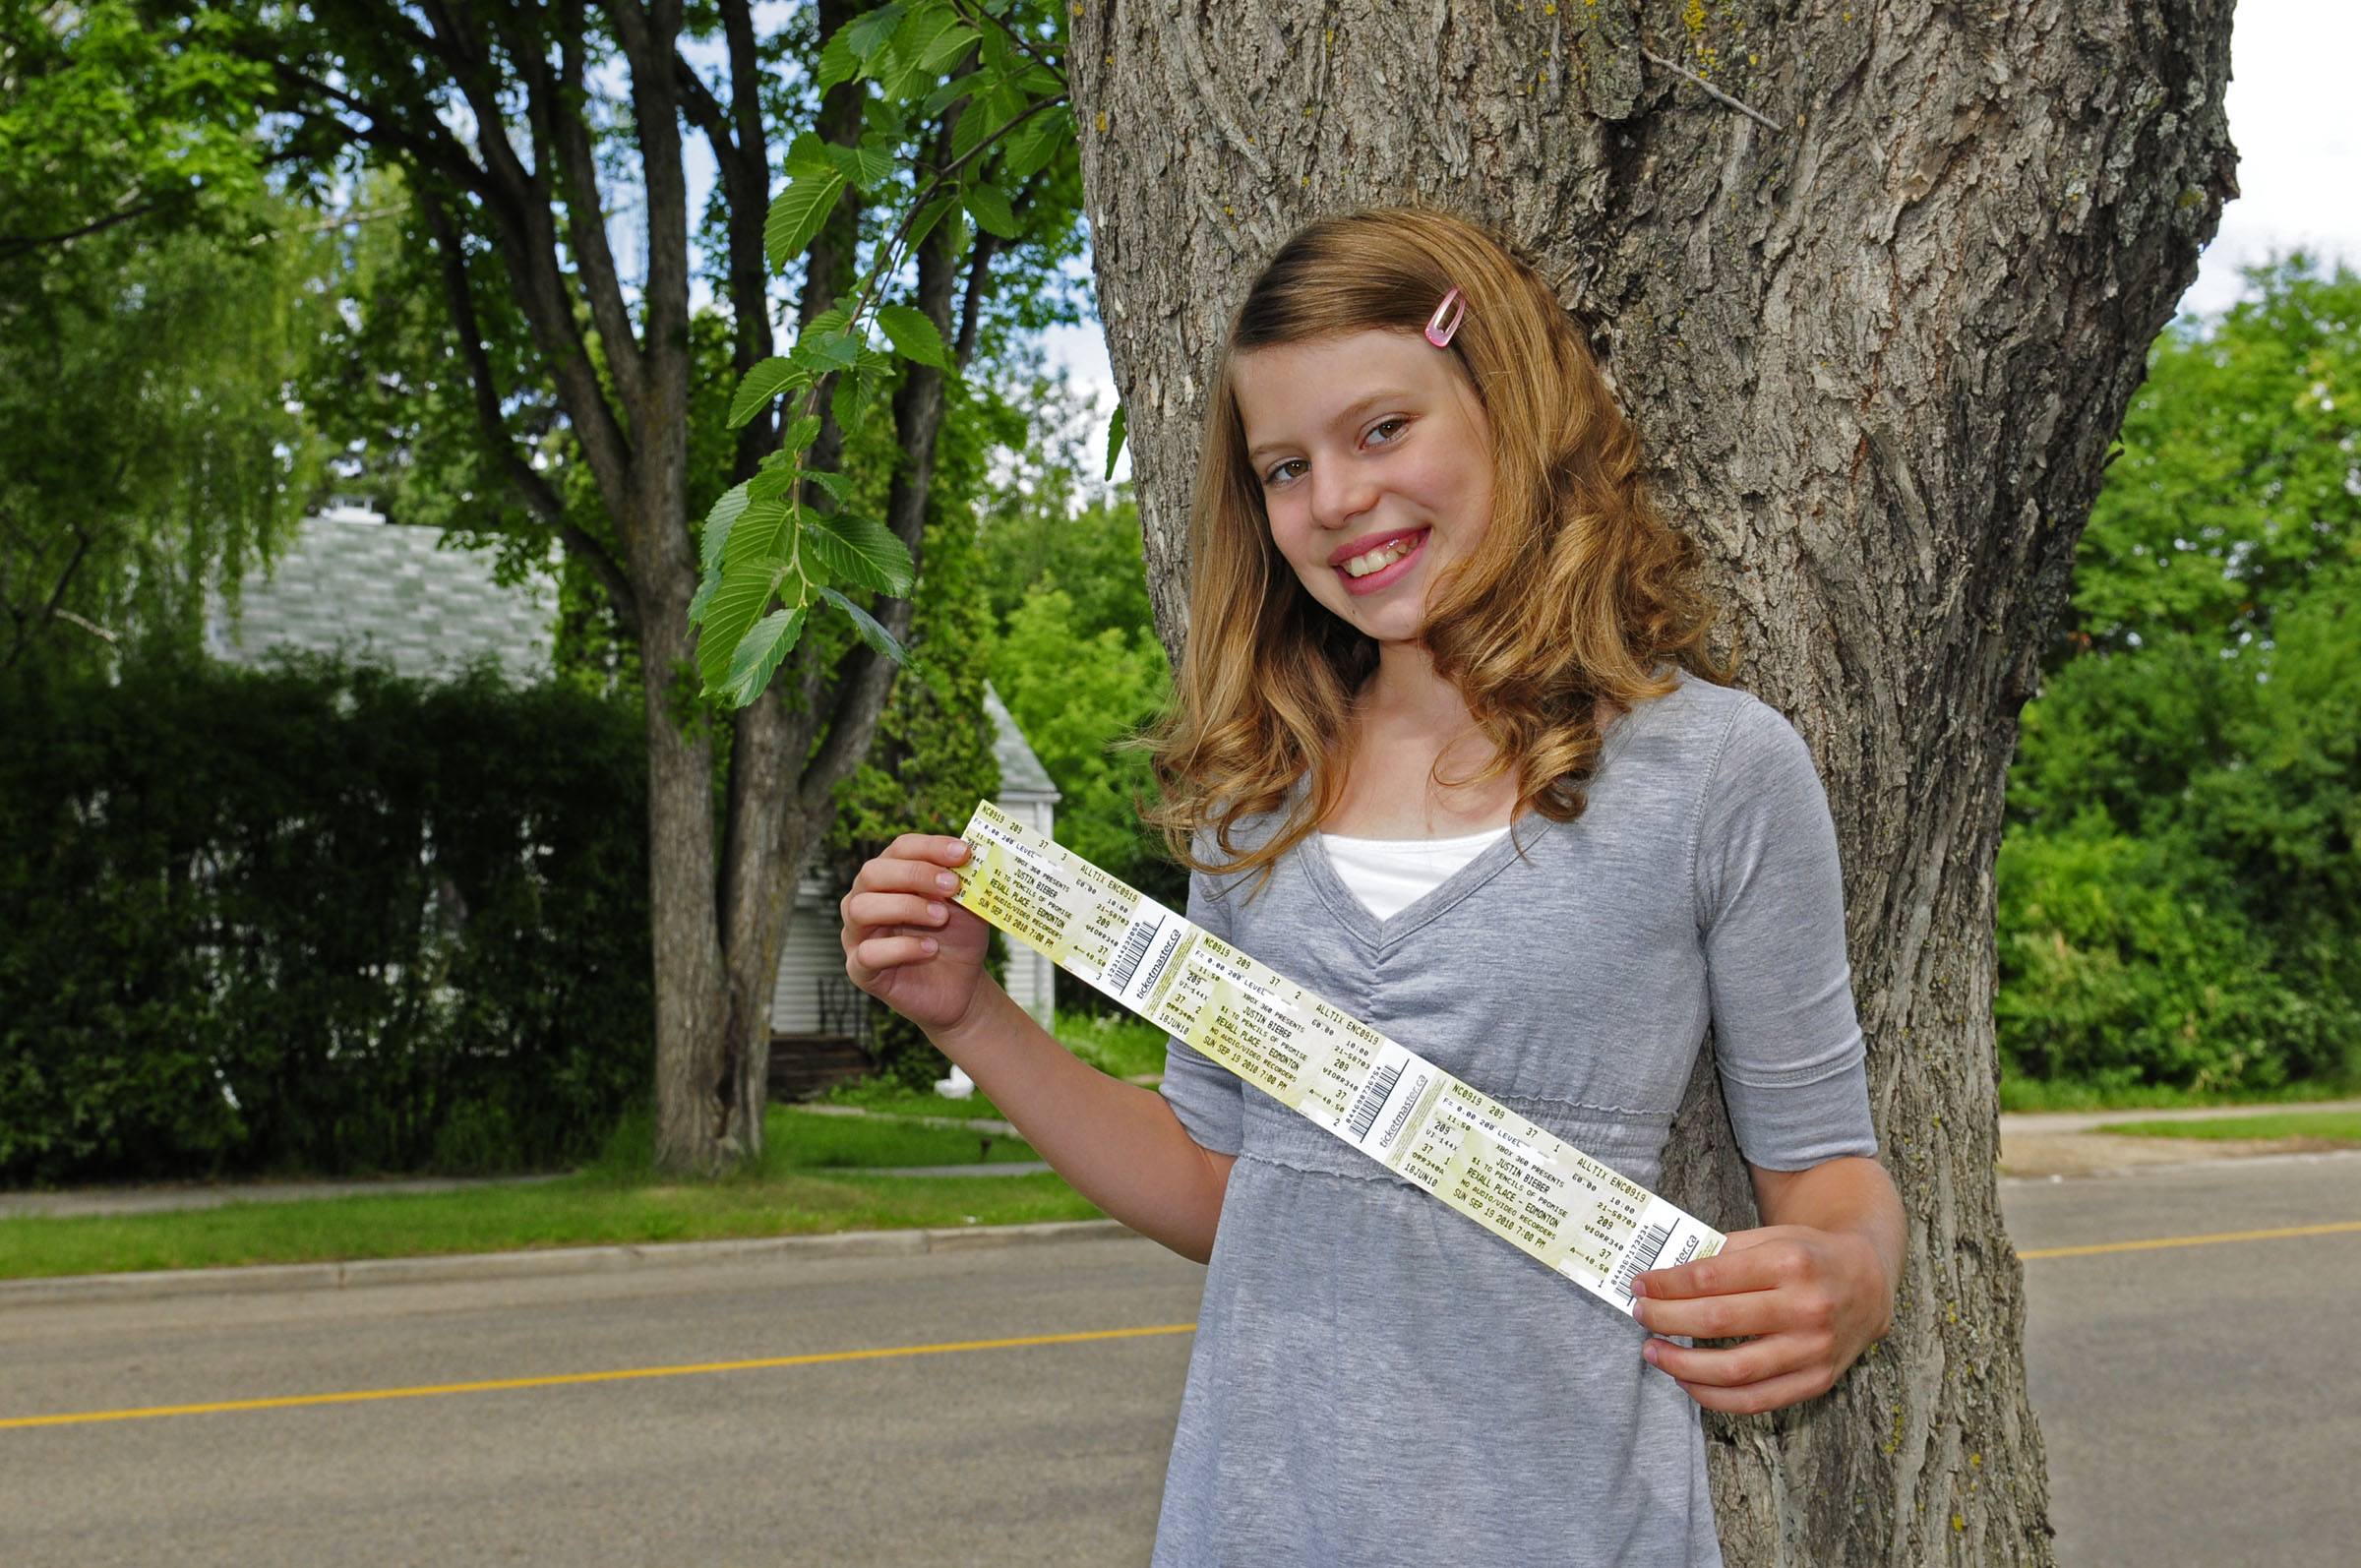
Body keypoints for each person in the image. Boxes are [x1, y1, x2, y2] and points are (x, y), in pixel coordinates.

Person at [839, 205, 1905, 1567]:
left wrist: (1853, 1279)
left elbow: (1828, 1174)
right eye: (1284, 466)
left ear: (1507, 406)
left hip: (1570, 1524)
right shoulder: (1258, 790)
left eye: (1382, 430)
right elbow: (1226, 1184)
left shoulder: (1716, 771)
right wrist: (969, 1014)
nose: (1334, 499)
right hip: (1254, 1523)